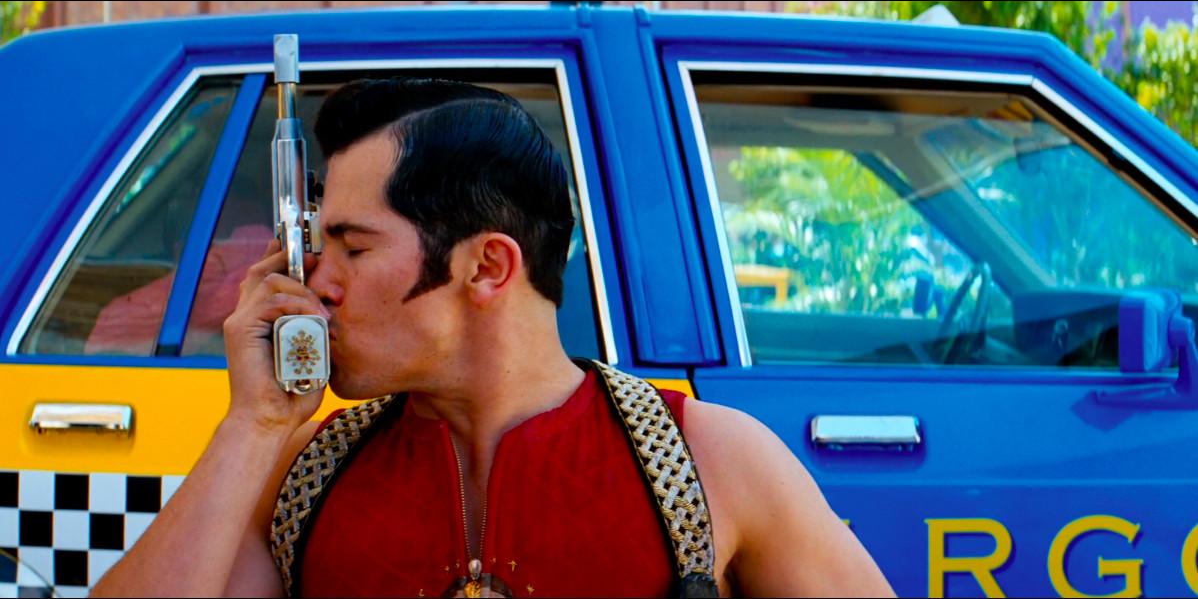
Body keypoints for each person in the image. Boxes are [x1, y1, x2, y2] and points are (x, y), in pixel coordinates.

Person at [91, 78, 894, 598]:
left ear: (487, 266)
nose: (317, 285)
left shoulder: (711, 460)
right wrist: (253, 425)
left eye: (353, 249)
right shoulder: (304, 472)